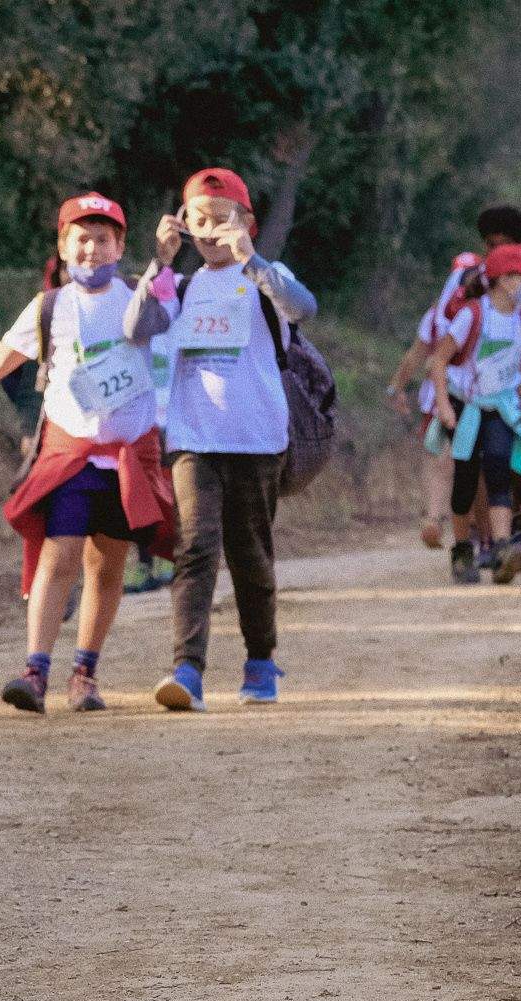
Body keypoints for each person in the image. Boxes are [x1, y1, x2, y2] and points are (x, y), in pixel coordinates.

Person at [0, 193, 173, 711]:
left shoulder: (143, 302)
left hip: (126, 457)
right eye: (82, 238)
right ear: (63, 245)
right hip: (70, 453)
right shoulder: (50, 307)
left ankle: (86, 674)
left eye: (103, 239)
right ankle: (35, 670)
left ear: (120, 246)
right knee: (60, 554)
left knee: (108, 566)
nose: (92, 250)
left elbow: (173, 365)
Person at [123, 167, 318, 710]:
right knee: (195, 548)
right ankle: (188, 670)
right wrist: (157, 263)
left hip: (257, 438)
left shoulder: (267, 276)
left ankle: (260, 660)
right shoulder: (180, 285)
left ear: (246, 221)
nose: (209, 232)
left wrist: (251, 259)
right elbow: (135, 328)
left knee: (250, 551)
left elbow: (304, 307)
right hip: (193, 438)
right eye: (198, 221)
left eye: (221, 220)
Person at [428, 242, 521, 583]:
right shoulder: (473, 314)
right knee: (466, 479)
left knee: (499, 466)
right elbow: (438, 359)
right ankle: (463, 550)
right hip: (464, 407)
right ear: (503, 279)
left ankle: (501, 549)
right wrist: (442, 405)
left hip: (500, 406)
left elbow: (520, 367)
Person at [387, 252, 481, 549]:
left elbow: (415, 355)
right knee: (459, 463)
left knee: (439, 461)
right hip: (470, 398)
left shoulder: (436, 314)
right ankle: (459, 523)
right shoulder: (484, 313)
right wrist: (397, 388)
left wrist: (396, 388)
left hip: (437, 400)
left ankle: (435, 517)